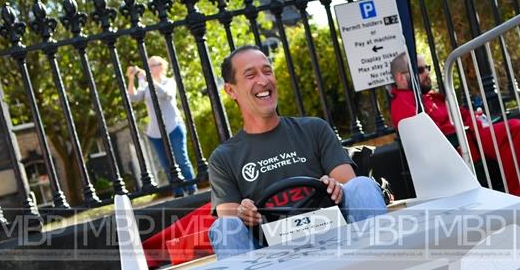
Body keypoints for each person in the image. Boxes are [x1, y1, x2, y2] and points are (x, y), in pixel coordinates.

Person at [207, 45, 388, 259]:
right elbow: (230, 219)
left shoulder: (314, 129)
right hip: (272, 257)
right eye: (251, 75)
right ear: (231, 90)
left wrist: (336, 187)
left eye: (267, 71)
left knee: (361, 185)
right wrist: (244, 212)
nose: (263, 81)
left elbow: (350, 186)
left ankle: (383, 267)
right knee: (225, 227)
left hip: (336, 237)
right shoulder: (223, 158)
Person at [389, 52, 520, 204]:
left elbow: (460, 113)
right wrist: (469, 125)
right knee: (515, 128)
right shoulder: (403, 104)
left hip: (472, 135)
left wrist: (474, 118)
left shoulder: (427, 97)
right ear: (400, 77)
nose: (427, 74)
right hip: (462, 147)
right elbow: (425, 138)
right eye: (420, 70)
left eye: (428, 68)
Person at [127, 56, 197, 197]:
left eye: (153, 65)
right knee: (167, 166)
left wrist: (148, 79)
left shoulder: (169, 81)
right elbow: (134, 98)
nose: (150, 68)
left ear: (162, 66)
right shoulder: (145, 85)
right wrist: (131, 78)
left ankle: (192, 190)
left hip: (174, 127)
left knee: (181, 160)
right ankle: (178, 193)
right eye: (148, 65)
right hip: (155, 132)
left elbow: (166, 94)